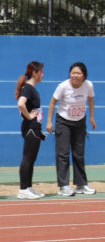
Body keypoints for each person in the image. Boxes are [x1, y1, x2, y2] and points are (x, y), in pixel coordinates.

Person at [46, 62, 97, 196]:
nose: (75, 75)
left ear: (84, 75)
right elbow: (52, 103)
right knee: (63, 153)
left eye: (78, 73)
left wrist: (92, 116)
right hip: (63, 121)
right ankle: (64, 186)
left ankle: (81, 184)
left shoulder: (88, 85)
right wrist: (49, 121)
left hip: (80, 122)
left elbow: (91, 99)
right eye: (73, 73)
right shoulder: (63, 86)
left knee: (79, 153)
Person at [16, 62, 46, 200]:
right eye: (41, 72)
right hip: (30, 127)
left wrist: (39, 128)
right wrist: (29, 116)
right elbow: (20, 104)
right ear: (35, 73)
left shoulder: (31, 88)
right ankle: (23, 189)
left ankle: (28, 187)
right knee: (28, 158)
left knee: (31, 159)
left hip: (35, 127)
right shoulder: (27, 88)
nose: (43, 75)